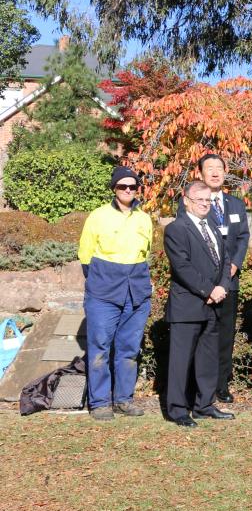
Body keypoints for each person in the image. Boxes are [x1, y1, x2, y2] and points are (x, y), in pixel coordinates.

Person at [78, 166, 153, 421]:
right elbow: (86, 257)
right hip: (104, 291)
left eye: (133, 186)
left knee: (129, 349)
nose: (128, 190)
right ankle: (100, 402)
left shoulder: (144, 218)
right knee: (99, 347)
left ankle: (123, 399)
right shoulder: (97, 217)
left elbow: (146, 253)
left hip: (137, 292)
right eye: (123, 186)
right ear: (114, 188)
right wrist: (103, 282)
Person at [162, 181, 236, 427]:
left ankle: (204, 405)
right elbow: (183, 267)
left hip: (213, 304)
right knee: (181, 361)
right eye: (199, 200)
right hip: (189, 305)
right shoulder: (177, 229)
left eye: (208, 200)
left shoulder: (213, 227)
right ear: (186, 201)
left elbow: (224, 260)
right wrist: (209, 289)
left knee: (207, 359)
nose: (204, 204)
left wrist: (223, 287)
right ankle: (177, 409)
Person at [193, 154, 249, 404]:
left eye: (219, 168)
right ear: (200, 173)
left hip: (230, 281)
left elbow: (243, 237)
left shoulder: (235, 205)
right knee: (202, 334)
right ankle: (198, 385)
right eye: (209, 169)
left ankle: (221, 385)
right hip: (203, 283)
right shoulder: (195, 202)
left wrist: (235, 264)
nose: (215, 173)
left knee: (226, 335)